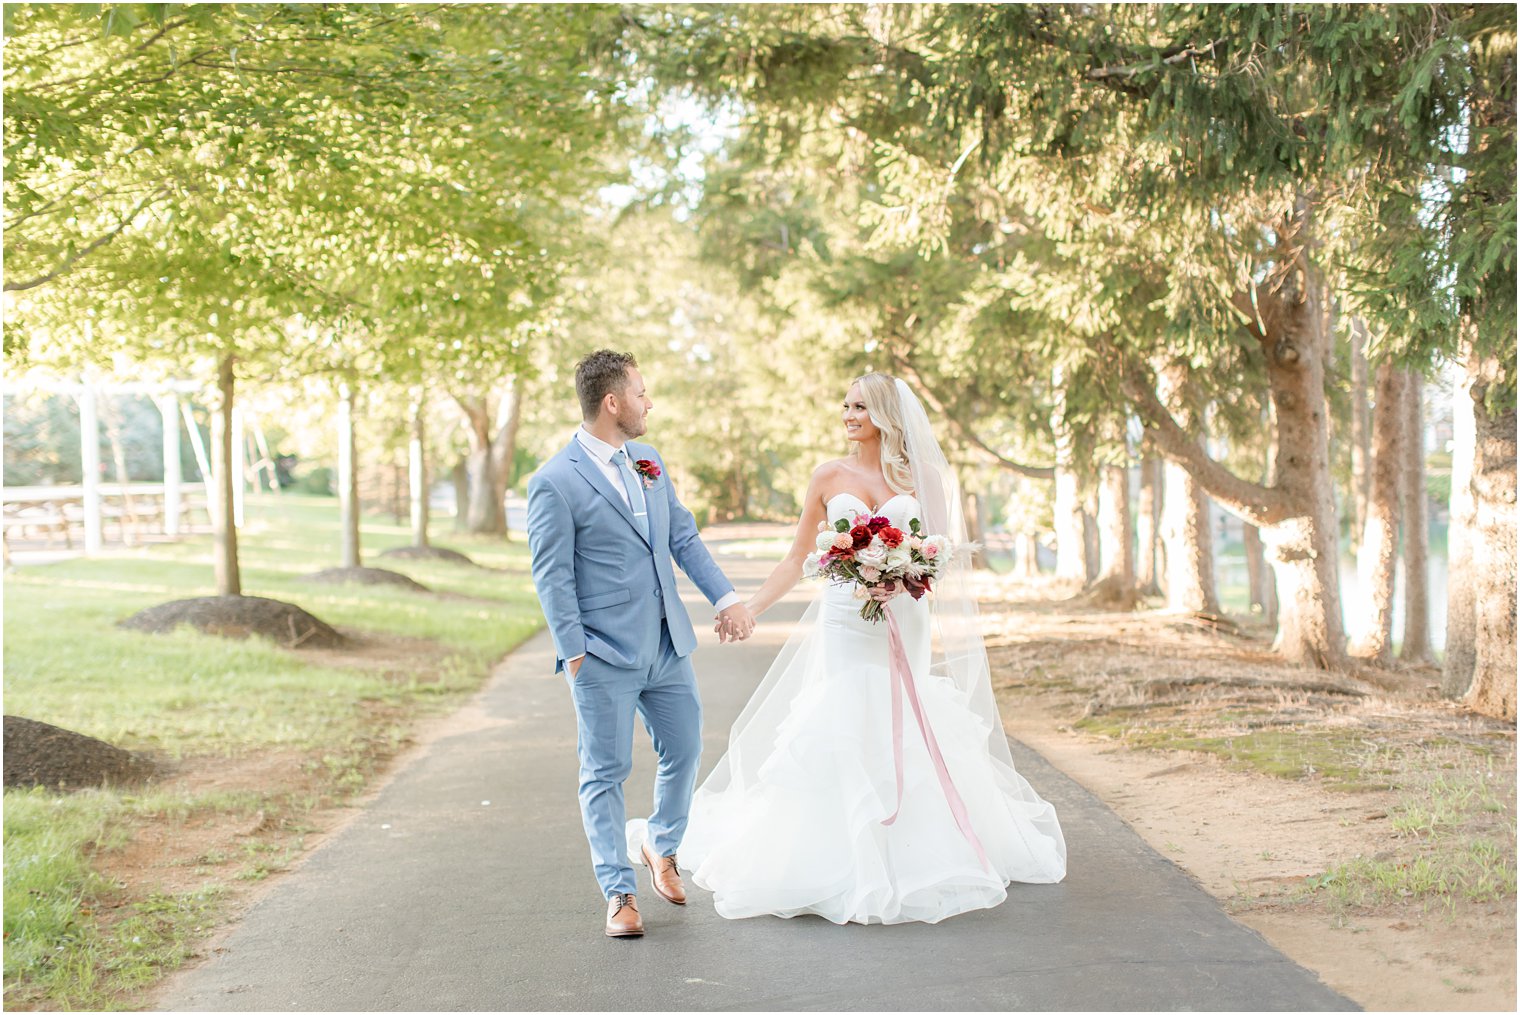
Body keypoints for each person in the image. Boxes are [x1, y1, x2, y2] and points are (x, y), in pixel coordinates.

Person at [649, 371, 1066, 925]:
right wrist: (751, 607)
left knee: (905, 715)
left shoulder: (925, 478)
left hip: (905, 615)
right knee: (845, 713)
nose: (848, 415)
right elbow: (798, 558)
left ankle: (919, 850)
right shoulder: (827, 475)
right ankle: (844, 852)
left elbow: (942, 553)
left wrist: (906, 572)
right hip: (848, 619)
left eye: (861, 408)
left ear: (887, 417)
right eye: (845, 405)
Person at [526, 349, 756, 939]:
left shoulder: (648, 460)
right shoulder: (554, 481)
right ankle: (619, 892)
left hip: (667, 644)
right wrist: (574, 650)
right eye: (642, 392)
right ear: (613, 402)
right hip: (602, 653)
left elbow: (682, 536)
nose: (648, 402)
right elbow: (551, 574)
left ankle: (661, 845)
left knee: (685, 749)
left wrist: (726, 599)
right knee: (605, 772)